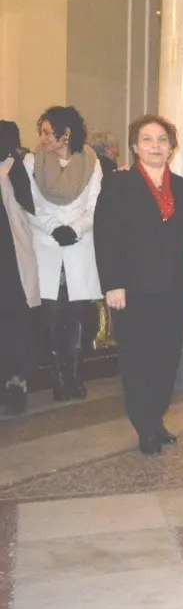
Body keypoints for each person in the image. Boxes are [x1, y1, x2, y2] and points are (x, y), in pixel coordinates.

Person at [94, 114, 183, 455]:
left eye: (161, 140)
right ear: (135, 146)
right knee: (137, 359)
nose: (155, 146)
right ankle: (144, 426)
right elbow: (106, 236)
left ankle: (155, 418)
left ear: (172, 147)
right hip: (133, 289)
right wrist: (113, 284)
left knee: (167, 357)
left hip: (172, 288)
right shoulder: (118, 184)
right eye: (147, 139)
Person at [24, 106, 104, 401]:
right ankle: (58, 376)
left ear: (66, 134)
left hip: (79, 245)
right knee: (52, 312)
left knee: (79, 312)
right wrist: (55, 227)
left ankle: (74, 374)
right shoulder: (31, 161)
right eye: (42, 132)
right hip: (45, 243)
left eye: (48, 132)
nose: (43, 137)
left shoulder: (91, 161)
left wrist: (76, 229)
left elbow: (96, 206)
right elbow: (29, 205)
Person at [0, 139, 39, 415]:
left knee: (13, 321)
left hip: (9, 260)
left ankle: (16, 383)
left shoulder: (14, 167)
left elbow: (30, 209)